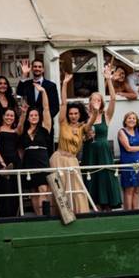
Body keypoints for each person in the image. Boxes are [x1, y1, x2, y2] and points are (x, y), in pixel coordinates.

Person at [50, 74, 91, 214]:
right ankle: (62, 214)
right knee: (61, 188)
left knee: (76, 187)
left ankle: (80, 213)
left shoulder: (82, 128)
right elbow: (63, 103)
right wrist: (65, 83)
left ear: (80, 115)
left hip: (72, 159)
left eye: (76, 113)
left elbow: (90, 124)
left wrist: (96, 111)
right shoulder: (63, 123)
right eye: (71, 113)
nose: (73, 115)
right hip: (59, 157)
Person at [83, 65, 122, 211]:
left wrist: (108, 80)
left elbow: (113, 98)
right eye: (93, 100)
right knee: (92, 177)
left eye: (98, 100)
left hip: (104, 151)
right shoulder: (85, 117)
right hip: (90, 151)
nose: (96, 102)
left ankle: (109, 206)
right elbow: (85, 131)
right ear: (89, 102)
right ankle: (94, 207)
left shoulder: (106, 116)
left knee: (105, 177)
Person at [19, 87, 53, 217]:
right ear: (28, 117)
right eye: (31, 115)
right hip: (29, 161)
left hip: (42, 160)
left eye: (36, 115)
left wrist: (43, 92)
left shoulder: (44, 129)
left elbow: (46, 109)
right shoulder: (24, 131)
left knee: (43, 189)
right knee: (33, 190)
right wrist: (23, 113)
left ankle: (45, 216)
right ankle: (38, 216)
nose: (33, 117)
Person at [0, 107, 21, 217]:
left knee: (15, 189)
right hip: (3, 163)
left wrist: (24, 113)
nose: (9, 117)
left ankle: (15, 215)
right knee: (5, 189)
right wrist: (2, 162)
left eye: (12, 115)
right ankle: (4, 215)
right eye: (7, 115)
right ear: (3, 116)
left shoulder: (15, 130)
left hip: (15, 162)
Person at [117, 111, 139, 211]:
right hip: (128, 163)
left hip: (138, 162)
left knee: (137, 189)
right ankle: (128, 212)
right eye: (129, 118)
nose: (132, 120)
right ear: (125, 121)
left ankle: (136, 211)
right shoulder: (122, 132)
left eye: (134, 118)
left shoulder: (138, 131)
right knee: (129, 189)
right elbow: (128, 148)